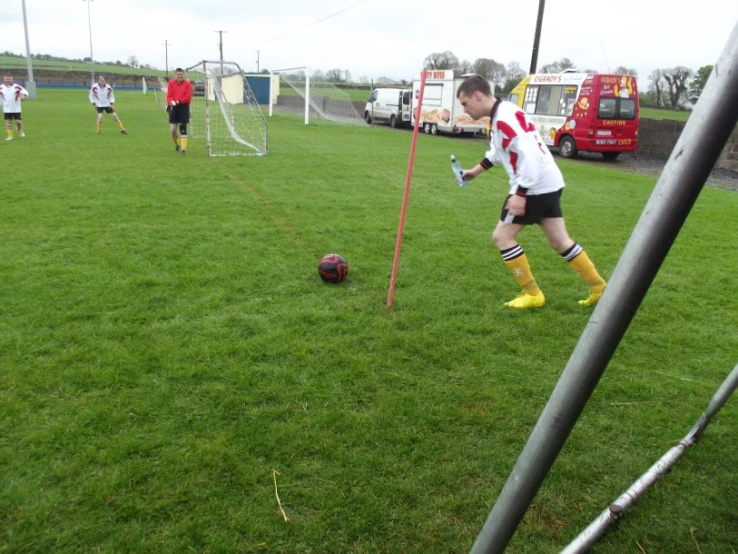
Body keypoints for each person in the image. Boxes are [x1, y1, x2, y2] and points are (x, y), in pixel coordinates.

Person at [456, 75, 606, 309]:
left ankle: (532, 294)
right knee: (559, 240)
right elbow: (499, 151)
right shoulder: (503, 113)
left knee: (502, 237)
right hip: (549, 182)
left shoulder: (503, 118)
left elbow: (530, 155)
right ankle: (598, 287)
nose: (465, 110)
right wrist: (476, 171)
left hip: (534, 185)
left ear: (477, 95)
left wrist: (521, 192)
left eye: (465, 103)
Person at [166, 68, 193, 154]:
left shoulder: (187, 84)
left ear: (183, 75)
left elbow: (187, 97)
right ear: (175, 75)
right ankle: (177, 145)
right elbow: (169, 95)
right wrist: (171, 102)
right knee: (173, 130)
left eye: (181, 75)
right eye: (178, 75)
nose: (180, 76)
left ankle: (184, 149)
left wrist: (178, 101)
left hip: (184, 107)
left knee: (183, 128)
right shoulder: (171, 83)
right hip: (174, 108)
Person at [1, 74, 29, 141]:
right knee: (8, 122)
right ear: (4, 80)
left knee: (18, 122)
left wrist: (23, 96)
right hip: (6, 108)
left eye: (10, 79)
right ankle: (10, 136)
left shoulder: (16, 87)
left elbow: (25, 92)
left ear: (12, 79)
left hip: (16, 108)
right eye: (7, 79)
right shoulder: (1, 88)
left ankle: (19, 130)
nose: (8, 80)